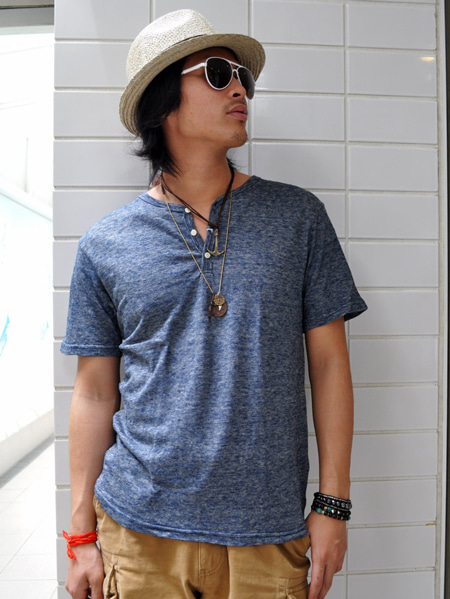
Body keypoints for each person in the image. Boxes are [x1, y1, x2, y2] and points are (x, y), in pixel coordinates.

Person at [61, 9, 367, 599]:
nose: (241, 90)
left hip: (267, 534)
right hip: (137, 531)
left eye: (243, 78)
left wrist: (333, 504)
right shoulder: (106, 243)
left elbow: (330, 364)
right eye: (219, 74)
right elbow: (94, 391)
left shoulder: (298, 218)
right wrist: (80, 536)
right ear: (161, 100)